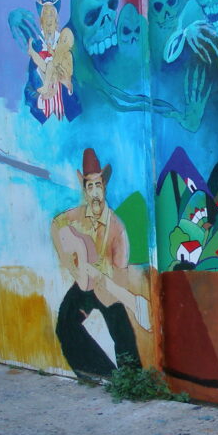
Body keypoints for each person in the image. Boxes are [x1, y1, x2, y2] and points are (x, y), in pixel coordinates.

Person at [51, 148, 148, 379]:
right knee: (65, 325)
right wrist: (73, 267)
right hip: (85, 283)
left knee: (122, 335)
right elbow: (56, 225)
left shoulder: (117, 229)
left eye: (98, 186)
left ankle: (131, 380)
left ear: (104, 188)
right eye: (89, 186)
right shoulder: (75, 216)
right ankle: (99, 372)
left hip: (108, 286)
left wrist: (109, 287)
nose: (94, 192)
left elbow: (121, 276)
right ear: (84, 190)